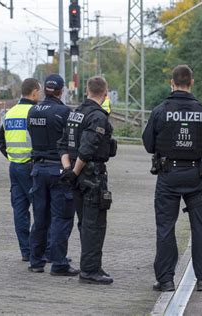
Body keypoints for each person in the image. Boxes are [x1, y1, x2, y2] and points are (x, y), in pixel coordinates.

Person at [142, 65, 202, 292]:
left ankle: (165, 280)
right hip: (196, 176)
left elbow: (148, 144)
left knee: (165, 227)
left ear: (171, 83)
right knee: (201, 228)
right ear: (191, 82)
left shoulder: (160, 111)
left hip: (168, 175)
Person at [58, 76, 117, 285]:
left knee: (85, 223)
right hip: (91, 175)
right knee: (95, 224)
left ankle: (91, 265)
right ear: (105, 92)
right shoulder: (97, 117)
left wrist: (68, 170)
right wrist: (75, 171)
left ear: (86, 91)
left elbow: (63, 144)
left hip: (74, 174)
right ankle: (90, 271)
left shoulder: (75, 113)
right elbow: (87, 148)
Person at [26, 74, 79, 276]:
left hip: (38, 169)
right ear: (61, 90)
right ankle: (59, 263)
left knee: (39, 217)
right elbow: (71, 141)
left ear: (44, 90)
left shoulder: (32, 111)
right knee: (61, 217)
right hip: (58, 169)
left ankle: (36, 261)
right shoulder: (64, 112)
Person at [0, 78, 41, 261]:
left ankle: (26, 251)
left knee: (20, 211)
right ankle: (39, 251)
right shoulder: (34, 112)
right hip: (31, 166)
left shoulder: (10, 113)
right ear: (35, 92)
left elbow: (0, 141)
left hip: (14, 167)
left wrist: (12, 157)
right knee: (40, 209)